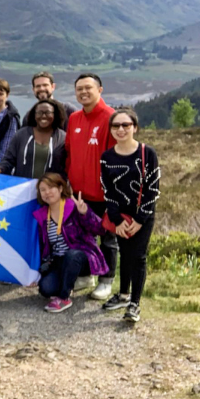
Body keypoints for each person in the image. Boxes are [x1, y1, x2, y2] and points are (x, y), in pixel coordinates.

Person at [100, 108, 161, 323]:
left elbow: (153, 189)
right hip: (120, 217)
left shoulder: (147, 153)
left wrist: (139, 220)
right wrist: (117, 221)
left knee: (138, 256)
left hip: (143, 216)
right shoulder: (107, 157)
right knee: (124, 254)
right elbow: (108, 191)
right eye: (116, 126)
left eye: (126, 125)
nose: (121, 129)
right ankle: (123, 295)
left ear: (135, 127)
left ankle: (135, 304)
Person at [65, 73, 117, 300]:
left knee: (107, 237)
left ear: (100, 90)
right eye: (79, 89)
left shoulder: (111, 117)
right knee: (83, 237)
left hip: (104, 194)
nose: (83, 92)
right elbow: (68, 153)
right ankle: (86, 276)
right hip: (79, 193)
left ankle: (107, 280)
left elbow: (117, 158)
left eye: (88, 88)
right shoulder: (74, 118)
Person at [32, 173, 110, 313]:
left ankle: (64, 297)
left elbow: (100, 229)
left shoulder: (73, 207)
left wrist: (86, 214)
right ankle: (72, 281)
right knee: (45, 288)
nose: (47, 192)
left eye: (51, 187)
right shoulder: (42, 215)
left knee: (72, 255)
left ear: (61, 188)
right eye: (43, 190)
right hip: (59, 260)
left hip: (82, 256)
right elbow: (43, 247)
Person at [0, 99, 66, 179]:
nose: (43, 116)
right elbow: (9, 160)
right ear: (34, 115)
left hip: (50, 189)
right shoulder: (21, 134)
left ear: (55, 114)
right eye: (39, 113)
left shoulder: (63, 138)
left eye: (48, 112)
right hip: (24, 188)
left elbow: (67, 166)